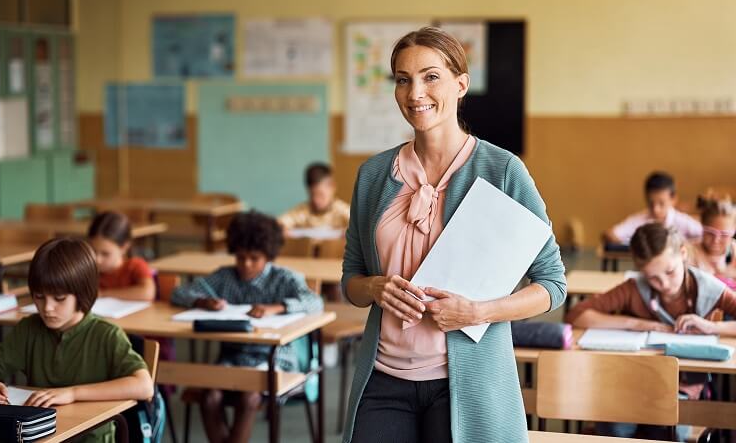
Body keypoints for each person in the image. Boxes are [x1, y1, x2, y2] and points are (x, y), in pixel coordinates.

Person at [341, 26, 566, 442]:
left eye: (431, 77)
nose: (415, 93)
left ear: (460, 84)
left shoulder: (502, 171)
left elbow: (553, 285)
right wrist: (374, 287)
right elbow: (350, 282)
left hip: (466, 384)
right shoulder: (373, 175)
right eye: (403, 80)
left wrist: (478, 313)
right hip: (384, 380)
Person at [0, 238, 154, 442]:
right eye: (39, 296)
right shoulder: (29, 328)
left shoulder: (106, 335)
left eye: (59, 299)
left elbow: (144, 386)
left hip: (91, 438)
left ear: (83, 293)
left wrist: (73, 393)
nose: (47, 307)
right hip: (40, 436)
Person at [566, 223, 736, 439]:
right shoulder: (635, 288)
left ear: (683, 254)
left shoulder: (708, 288)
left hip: (679, 390)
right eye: (653, 277)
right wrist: (638, 324)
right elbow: (577, 314)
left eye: (670, 271)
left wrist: (712, 327)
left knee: (663, 430)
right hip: (630, 384)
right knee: (615, 429)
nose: (664, 283)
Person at [171, 210, 323, 443]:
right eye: (240, 257)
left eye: (254, 258)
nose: (246, 264)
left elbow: (315, 302)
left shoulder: (285, 278)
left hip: (277, 357)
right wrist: (204, 301)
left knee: (249, 396)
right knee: (209, 397)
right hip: (234, 356)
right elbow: (180, 291)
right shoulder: (226, 277)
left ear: (268, 255)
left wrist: (277, 307)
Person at [604, 171, 702, 244]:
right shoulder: (640, 220)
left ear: (673, 199)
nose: (655, 209)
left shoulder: (682, 221)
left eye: (661, 203)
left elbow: (705, 235)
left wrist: (686, 244)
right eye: (651, 203)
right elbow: (610, 234)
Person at [88, 211, 156, 301]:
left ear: (124, 247)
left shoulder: (135, 266)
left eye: (105, 254)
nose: (97, 259)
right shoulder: (88, 269)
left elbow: (148, 293)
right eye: (93, 251)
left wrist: (104, 293)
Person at [278, 162, 350, 233]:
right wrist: (282, 229)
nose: (316, 200)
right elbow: (280, 223)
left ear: (332, 187)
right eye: (312, 195)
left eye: (321, 195)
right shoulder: (302, 211)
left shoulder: (342, 210)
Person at [688, 198, 736, 285]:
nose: (716, 240)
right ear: (702, 226)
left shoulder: (734, 251)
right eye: (710, 233)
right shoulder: (689, 251)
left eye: (724, 235)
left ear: (733, 232)